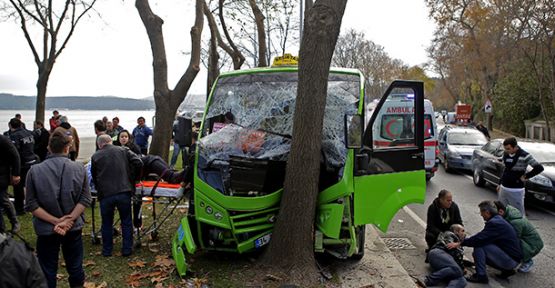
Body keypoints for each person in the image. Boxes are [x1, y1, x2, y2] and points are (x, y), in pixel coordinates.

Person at [24, 131, 92, 288]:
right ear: (67, 148)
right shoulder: (79, 168)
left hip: (46, 227)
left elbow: (31, 204)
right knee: (75, 266)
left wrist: (57, 221)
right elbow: (85, 199)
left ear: (49, 148)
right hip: (72, 226)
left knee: (47, 269)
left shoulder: (34, 170)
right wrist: (68, 220)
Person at [91, 134, 143, 257]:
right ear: (111, 141)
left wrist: (99, 188)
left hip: (105, 193)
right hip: (124, 190)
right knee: (126, 221)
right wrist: (134, 179)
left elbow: (94, 176)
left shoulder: (95, 156)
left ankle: (107, 250)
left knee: (107, 223)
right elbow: (139, 162)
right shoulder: (123, 150)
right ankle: (127, 249)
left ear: (99, 144)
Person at [452, 201, 522, 283]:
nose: (481, 215)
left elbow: (479, 239)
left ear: (487, 212)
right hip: (512, 258)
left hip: (510, 261)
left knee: (479, 246)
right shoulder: (498, 220)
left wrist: (460, 243)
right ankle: (506, 270)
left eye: (481, 212)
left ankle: (481, 276)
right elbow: (483, 235)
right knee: (478, 252)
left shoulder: (495, 223)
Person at [497, 137, 544, 216]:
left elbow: (539, 168)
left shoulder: (525, 155)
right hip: (504, 188)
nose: (506, 151)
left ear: (515, 147)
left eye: (508, 149)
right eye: (505, 149)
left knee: (518, 214)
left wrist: (526, 176)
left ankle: (519, 228)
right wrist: (499, 183)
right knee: (502, 211)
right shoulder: (505, 154)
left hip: (516, 190)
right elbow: (505, 169)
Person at [494, 201, 543, 273]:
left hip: (532, 245)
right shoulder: (508, 215)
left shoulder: (514, 222)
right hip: (528, 241)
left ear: (501, 211)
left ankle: (527, 261)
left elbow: (513, 239)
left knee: (508, 242)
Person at [8, 118, 39, 215]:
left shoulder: (14, 136)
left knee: (18, 187)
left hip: (22, 163)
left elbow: (14, 151)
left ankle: (19, 209)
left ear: (10, 125)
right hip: (32, 160)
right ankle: (34, 205)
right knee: (30, 185)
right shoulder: (29, 133)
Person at [422, 224, 467, 288]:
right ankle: (429, 280)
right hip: (438, 253)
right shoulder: (450, 234)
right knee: (457, 270)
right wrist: (462, 267)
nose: (464, 233)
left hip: (444, 263)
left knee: (462, 280)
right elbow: (452, 249)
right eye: (462, 231)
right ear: (456, 231)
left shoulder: (456, 242)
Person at [0, 134, 21, 234]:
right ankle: (1, 228)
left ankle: (15, 222)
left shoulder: (2, 139)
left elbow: (15, 155)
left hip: (1, 175)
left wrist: (16, 174)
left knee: (3, 199)